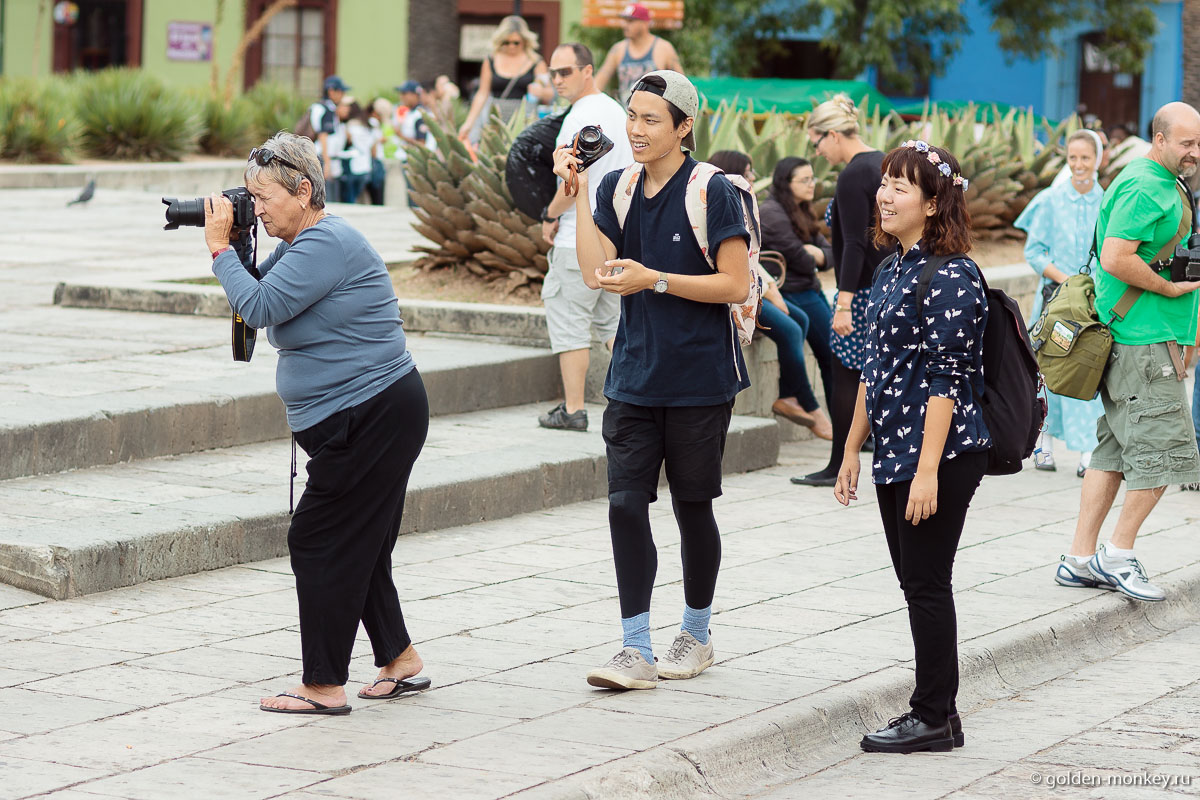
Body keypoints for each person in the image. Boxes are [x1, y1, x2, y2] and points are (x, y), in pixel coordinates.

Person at [203, 132, 431, 715]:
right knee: (364, 544)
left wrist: (219, 252)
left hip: (372, 414)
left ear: (303, 191)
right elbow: (263, 299)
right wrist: (240, 247)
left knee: (318, 538)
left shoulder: (326, 243)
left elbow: (257, 308)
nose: (257, 209)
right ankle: (400, 659)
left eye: (264, 198)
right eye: (250, 199)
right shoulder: (304, 243)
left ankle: (323, 685)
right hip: (366, 417)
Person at [554, 70, 750, 689]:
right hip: (634, 375)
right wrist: (580, 192)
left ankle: (696, 633)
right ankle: (633, 647)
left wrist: (656, 279)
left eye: (650, 120)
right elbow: (593, 273)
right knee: (623, 506)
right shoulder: (616, 185)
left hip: (699, 378)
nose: (635, 130)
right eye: (631, 117)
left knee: (694, 507)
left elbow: (736, 284)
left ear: (683, 128)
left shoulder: (712, 190)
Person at [835, 139, 987, 754]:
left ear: (932, 204)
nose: (885, 194)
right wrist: (850, 450)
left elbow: (946, 382)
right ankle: (939, 714)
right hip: (894, 452)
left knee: (926, 582)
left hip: (941, 455)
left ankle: (932, 716)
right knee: (918, 582)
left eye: (902, 186)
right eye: (885, 182)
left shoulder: (952, 274)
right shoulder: (891, 266)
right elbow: (876, 369)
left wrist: (927, 473)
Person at [1053, 102, 1200, 603]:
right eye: (1186, 143)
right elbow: (1116, 257)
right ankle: (1117, 554)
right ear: (1159, 139)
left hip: (1134, 336)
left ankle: (1079, 558)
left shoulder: (1150, 177)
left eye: (1198, 143)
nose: (1194, 152)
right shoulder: (1146, 185)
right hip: (1142, 342)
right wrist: (1170, 289)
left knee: (1113, 452)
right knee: (1166, 452)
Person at [536, 43, 634, 432]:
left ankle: (573, 408)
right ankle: (634, 396)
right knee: (611, 324)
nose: (558, 80)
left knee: (569, 316)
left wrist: (549, 213)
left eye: (566, 72)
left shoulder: (582, 115)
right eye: (553, 73)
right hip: (615, 234)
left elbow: (572, 178)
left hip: (578, 236)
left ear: (588, 70)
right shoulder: (614, 111)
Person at [792, 95, 889, 487]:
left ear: (833, 135)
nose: (816, 152)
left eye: (816, 142)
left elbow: (853, 244)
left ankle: (838, 464)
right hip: (888, 283)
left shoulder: (852, 174)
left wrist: (844, 303)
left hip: (862, 291)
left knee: (846, 375)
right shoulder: (883, 161)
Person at [706, 150, 832, 440]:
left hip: (759, 285)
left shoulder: (747, 205)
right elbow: (797, 258)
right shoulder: (726, 206)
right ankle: (810, 407)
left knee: (798, 320)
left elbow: (755, 256)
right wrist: (770, 288)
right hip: (736, 291)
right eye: (748, 172)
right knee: (789, 328)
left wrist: (770, 286)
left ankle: (788, 395)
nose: (752, 177)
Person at [1015, 130, 1105, 477]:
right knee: (1049, 371)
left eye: (1086, 158)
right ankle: (1044, 445)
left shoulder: (1107, 201)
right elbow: (1033, 252)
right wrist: (1067, 280)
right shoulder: (1051, 200)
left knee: (1088, 369)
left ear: (1097, 159)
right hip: (1055, 303)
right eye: (1073, 158)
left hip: (1092, 305)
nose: (1079, 165)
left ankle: (1087, 449)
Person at [760, 156, 836, 420]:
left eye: (812, 178)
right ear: (785, 182)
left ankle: (844, 427)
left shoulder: (800, 209)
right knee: (831, 356)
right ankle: (840, 425)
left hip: (809, 289)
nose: (811, 184)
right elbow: (801, 260)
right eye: (804, 180)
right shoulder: (772, 212)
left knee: (832, 358)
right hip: (794, 291)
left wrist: (817, 254)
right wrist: (813, 254)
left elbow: (830, 255)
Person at [457, 16, 553, 145]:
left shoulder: (536, 62)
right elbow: (482, 93)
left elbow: (550, 94)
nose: (511, 46)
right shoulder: (491, 60)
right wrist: (469, 123)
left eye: (516, 42)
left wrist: (540, 92)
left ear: (524, 41)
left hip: (523, 119)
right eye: (506, 42)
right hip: (496, 119)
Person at [594, 3, 683, 104]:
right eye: (624, 21)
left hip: (654, 114)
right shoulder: (618, 49)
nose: (625, 25)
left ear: (645, 23)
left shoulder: (663, 48)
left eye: (630, 21)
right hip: (627, 113)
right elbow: (599, 81)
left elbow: (681, 85)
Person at [312, 75, 349, 203]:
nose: (342, 95)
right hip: (322, 157)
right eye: (341, 92)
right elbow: (323, 135)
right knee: (327, 199)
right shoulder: (327, 109)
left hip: (323, 157)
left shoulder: (322, 107)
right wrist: (327, 163)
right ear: (331, 91)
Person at [336, 97, 372, 204]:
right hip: (365, 167)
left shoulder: (350, 126)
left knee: (349, 200)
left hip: (353, 167)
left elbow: (347, 142)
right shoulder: (366, 124)